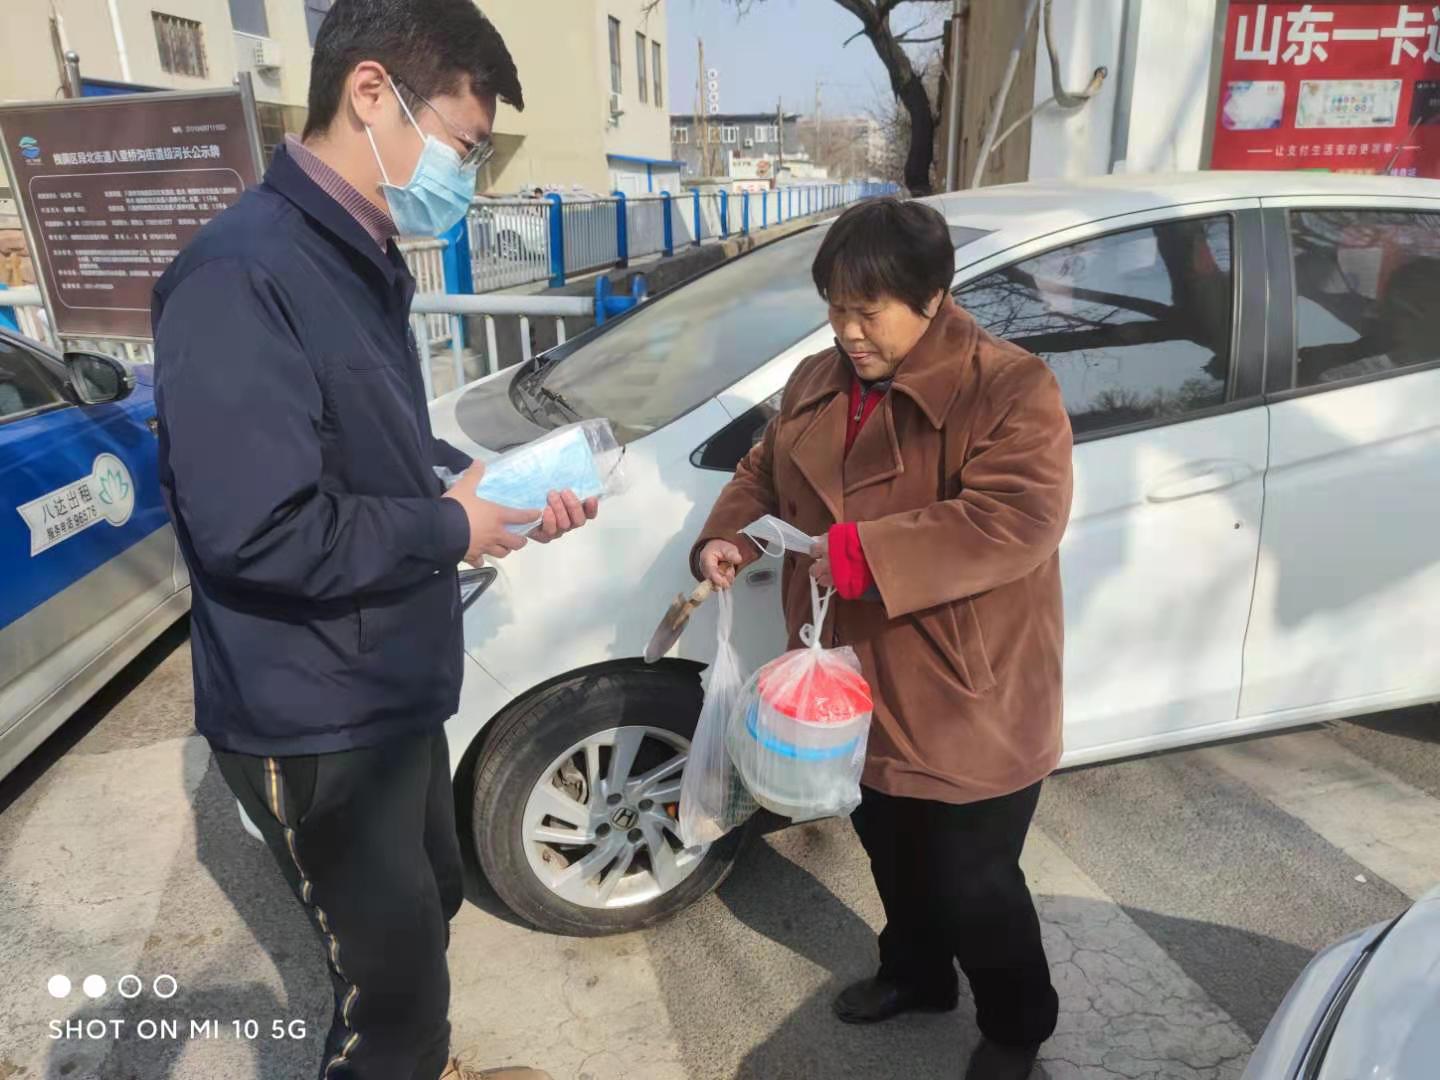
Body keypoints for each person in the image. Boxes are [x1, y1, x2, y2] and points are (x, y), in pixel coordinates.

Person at [151, 2, 589, 1077]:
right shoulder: (242, 275)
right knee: (391, 1011)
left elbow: (358, 447)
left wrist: (476, 492)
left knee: (431, 906)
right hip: (316, 715)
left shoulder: (355, 254)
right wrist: (449, 524)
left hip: (387, 684)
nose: (466, 176)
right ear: (371, 93)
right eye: (464, 145)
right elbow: (258, 529)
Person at [691, 198, 1074, 1080]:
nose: (848, 331)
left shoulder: (1009, 386)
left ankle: (1016, 1026)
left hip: (965, 685)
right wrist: (730, 535)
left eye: (868, 312)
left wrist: (861, 553)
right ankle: (916, 974)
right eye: (835, 308)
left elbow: (1017, 518)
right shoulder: (817, 378)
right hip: (850, 681)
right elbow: (764, 469)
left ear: (932, 297)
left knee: (974, 880)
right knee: (890, 851)